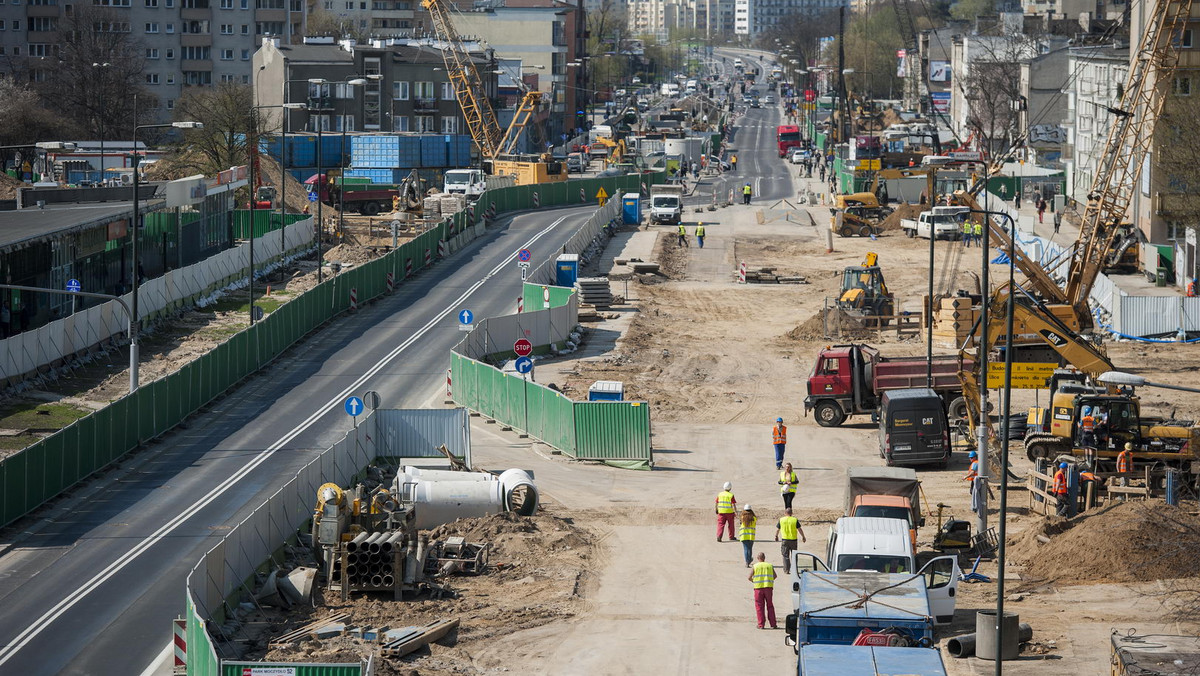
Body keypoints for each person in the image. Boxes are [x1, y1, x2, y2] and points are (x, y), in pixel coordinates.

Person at [748, 551, 778, 629]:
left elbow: (749, 577)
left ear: (758, 558)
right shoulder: (770, 565)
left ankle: (761, 625)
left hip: (758, 589)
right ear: (764, 558)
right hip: (768, 588)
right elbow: (775, 576)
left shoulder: (755, 566)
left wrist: (753, 581)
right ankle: (773, 624)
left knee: (759, 606)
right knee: (770, 606)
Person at [774, 507, 806, 574]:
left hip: (785, 540)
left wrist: (776, 536)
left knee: (785, 555)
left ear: (785, 513)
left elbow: (777, 529)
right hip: (793, 540)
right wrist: (803, 537)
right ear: (791, 513)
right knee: (794, 555)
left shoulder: (781, 520)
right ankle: (794, 569)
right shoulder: (794, 520)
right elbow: (799, 529)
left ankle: (786, 570)